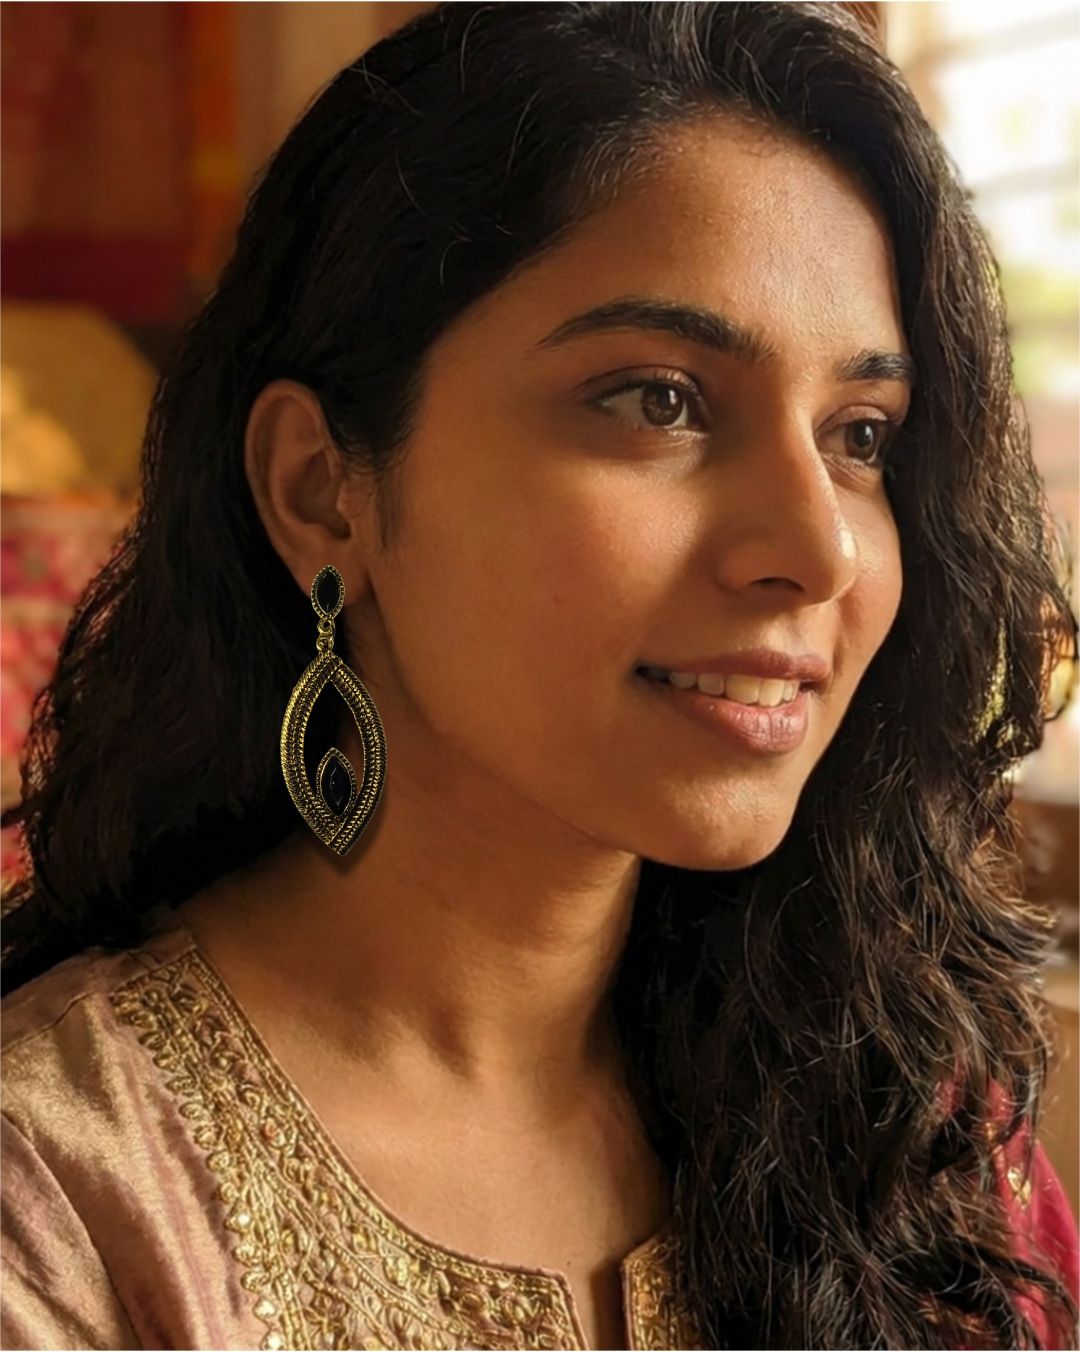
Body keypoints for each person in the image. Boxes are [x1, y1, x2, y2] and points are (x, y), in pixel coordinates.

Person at [0, 2, 1077, 1348]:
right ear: (322, 489)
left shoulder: (915, 1126)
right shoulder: (64, 1200)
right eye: (659, 400)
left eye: (861, 435)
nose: (819, 551)